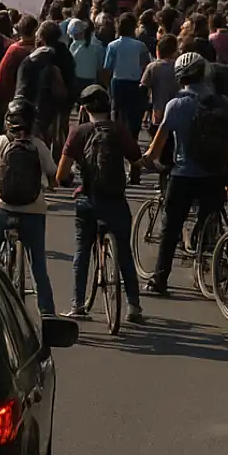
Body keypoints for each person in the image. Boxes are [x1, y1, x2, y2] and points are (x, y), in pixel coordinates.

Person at [141, 52, 228, 296]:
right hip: (215, 174)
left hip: (183, 175)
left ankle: (159, 279)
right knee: (210, 221)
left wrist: (145, 160)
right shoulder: (223, 103)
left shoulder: (176, 105)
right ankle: (209, 268)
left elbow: (157, 147)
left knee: (171, 227)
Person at [56, 85, 146, 324]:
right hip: (115, 200)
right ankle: (133, 306)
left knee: (82, 252)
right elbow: (137, 160)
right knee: (124, 252)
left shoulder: (78, 132)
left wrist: (68, 181)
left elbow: (61, 174)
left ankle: (78, 305)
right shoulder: (119, 130)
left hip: (88, 199)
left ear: (84, 109)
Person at [0, 98, 59, 317]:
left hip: (1, 208)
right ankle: (47, 313)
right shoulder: (38, 145)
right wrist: (51, 183)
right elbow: (54, 173)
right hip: (33, 210)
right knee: (38, 266)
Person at [103, 12, 151, 140]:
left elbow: (107, 68)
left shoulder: (112, 45)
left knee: (117, 114)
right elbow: (146, 66)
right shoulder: (141, 46)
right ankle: (132, 140)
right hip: (136, 83)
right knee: (134, 116)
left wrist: (107, 86)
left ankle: (117, 140)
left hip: (118, 82)